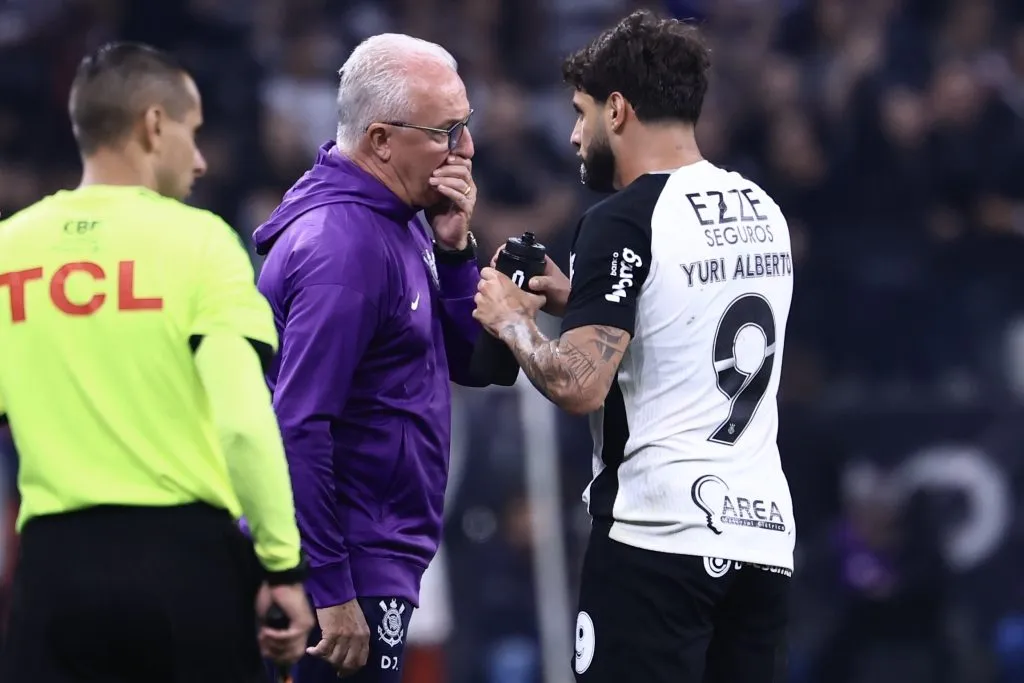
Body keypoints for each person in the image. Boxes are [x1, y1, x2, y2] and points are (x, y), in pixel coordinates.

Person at [472, 10, 795, 683]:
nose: (572, 134)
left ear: (617, 110)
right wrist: (579, 298)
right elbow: (688, 314)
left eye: (580, 113)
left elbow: (580, 383)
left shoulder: (622, 218)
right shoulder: (762, 207)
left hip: (658, 537)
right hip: (762, 537)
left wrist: (512, 319)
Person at [0, 42, 313, 683]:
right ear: (153, 126)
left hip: (53, 573)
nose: (198, 159)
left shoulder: (9, 250)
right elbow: (243, 423)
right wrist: (281, 567)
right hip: (184, 568)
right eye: (192, 133)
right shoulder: (199, 241)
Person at [251, 33, 482, 682]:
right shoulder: (344, 250)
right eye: (447, 131)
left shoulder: (400, 216)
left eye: (467, 125)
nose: (466, 149)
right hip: (341, 560)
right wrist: (331, 589)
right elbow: (298, 424)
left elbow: (474, 363)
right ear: (381, 140)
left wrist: (459, 252)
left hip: (373, 552)